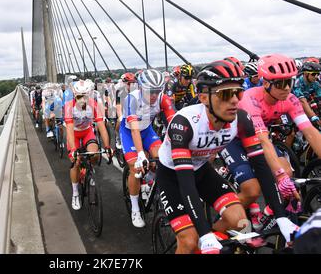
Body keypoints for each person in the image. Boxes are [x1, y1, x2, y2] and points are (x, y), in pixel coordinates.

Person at [156, 59, 299, 254]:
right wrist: (204, 234)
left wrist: (281, 217)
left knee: (240, 221)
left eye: (238, 92)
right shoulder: (184, 124)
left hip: (202, 170)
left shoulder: (241, 119)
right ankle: (202, 242)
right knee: (189, 241)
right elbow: (186, 183)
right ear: (204, 97)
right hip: (173, 177)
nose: (234, 100)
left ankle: (209, 245)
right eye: (225, 94)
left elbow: (262, 168)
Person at [238, 54, 321, 204]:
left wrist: (282, 175)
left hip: (258, 137)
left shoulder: (290, 99)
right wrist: (279, 175)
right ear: (265, 84)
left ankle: (270, 214)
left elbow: (310, 132)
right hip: (235, 140)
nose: (287, 88)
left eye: (290, 82)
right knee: (252, 191)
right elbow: (262, 140)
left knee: (287, 172)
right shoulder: (251, 99)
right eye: (281, 83)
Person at [120, 69, 175, 227]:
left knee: (161, 159)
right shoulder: (132, 99)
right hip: (130, 132)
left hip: (147, 131)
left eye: (157, 91)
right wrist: (140, 154)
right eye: (150, 91)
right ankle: (135, 209)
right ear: (141, 88)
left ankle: (150, 179)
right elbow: (135, 129)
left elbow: (173, 124)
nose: (153, 95)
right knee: (136, 168)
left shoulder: (162, 98)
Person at [64, 79, 112, 210]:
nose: (82, 99)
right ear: (74, 95)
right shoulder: (69, 106)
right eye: (79, 96)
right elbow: (68, 129)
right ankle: (75, 193)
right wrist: (73, 149)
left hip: (87, 132)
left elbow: (101, 127)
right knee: (76, 161)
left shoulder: (93, 104)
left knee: (94, 154)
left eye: (85, 96)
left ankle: (90, 171)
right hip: (74, 134)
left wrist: (107, 147)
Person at [292, 61, 321, 128]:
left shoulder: (316, 84)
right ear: (305, 74)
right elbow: (302, 101)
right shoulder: (297, 83)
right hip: (292, 105)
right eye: (313, 74)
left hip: (306, 103)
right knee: (291, 133)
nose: (316, 76)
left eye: (317, 74)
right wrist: (313, 116)